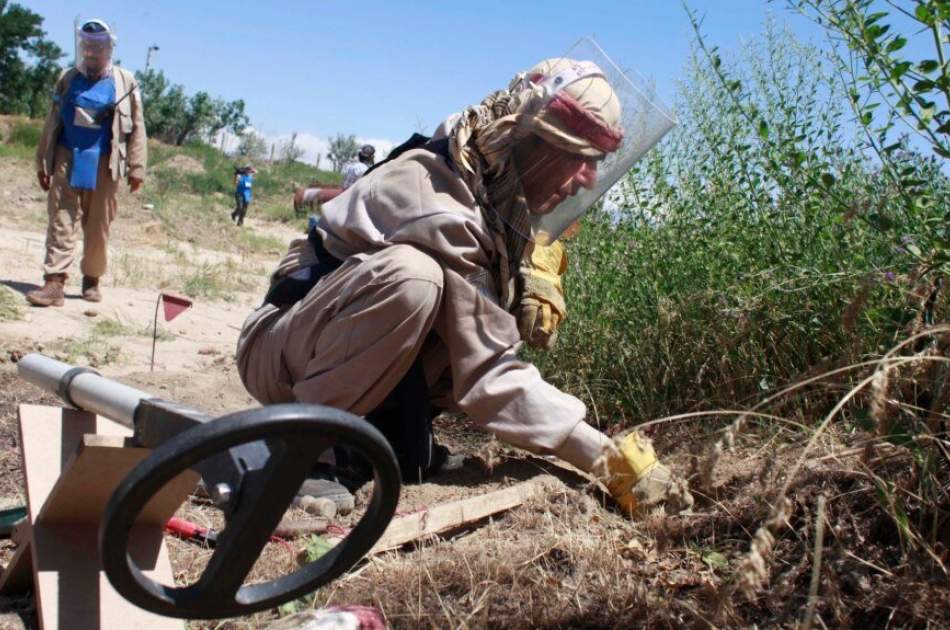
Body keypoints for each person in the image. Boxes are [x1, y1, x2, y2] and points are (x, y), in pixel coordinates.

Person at [237, 47, 691, 515]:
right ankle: (301, 455)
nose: (588, 180)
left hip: (322, 346)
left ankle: (386, 443)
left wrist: (528, 271)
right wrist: (606, 458)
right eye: (580, 157)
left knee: (439, 351)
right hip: (279, 350)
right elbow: (489, 371)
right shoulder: (441, 202)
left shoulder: (486, 187)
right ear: (528, 141)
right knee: (414, 281)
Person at [27, 18, 146, 307]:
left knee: (98, 226)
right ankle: (54, 282)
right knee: (61, 218)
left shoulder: (124, 82)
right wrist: (43, 161)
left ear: (109, 48)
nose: (91, 52)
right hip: (67, 156)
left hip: (104, 163)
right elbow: (53, 120)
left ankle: (91, 280)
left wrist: (136, 167)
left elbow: (138, 126)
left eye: (98, 46)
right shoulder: (67, 78)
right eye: (87, 45)